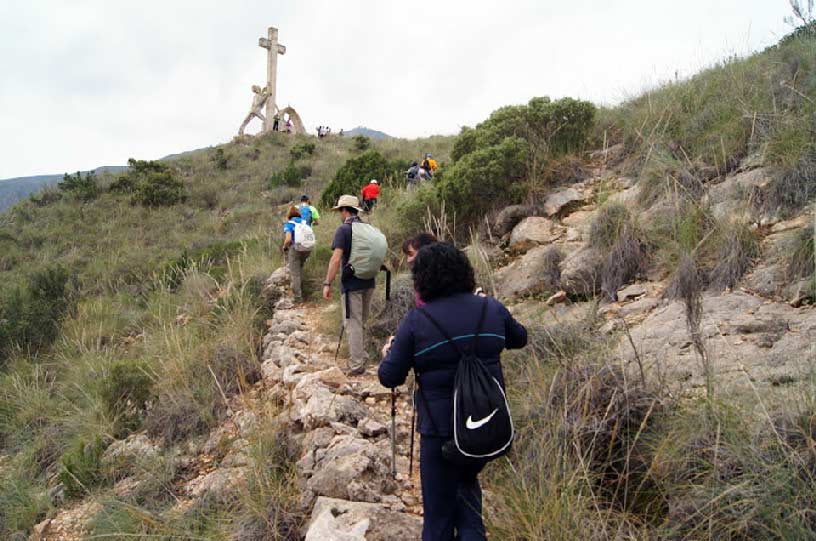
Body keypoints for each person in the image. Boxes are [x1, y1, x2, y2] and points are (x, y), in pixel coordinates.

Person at [378, 243, 527, 541]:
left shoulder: (417, 322)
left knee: (438, 519)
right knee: (467, 490)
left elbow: (389, 376)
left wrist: (389, 351)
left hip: (441, 431)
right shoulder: (490, 307)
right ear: (464, 272)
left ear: (422, 279)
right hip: (486, 424)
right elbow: (519, 338)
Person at [323, 195, 377, 376]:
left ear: (344, 210)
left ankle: (356, 365)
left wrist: (327, 282)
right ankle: (361, 357)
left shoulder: (343, 230)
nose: (339, 213)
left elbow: (336, 259)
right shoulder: (368, 228)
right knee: (361, 322)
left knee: (353, 323)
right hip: (369, 280)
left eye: (340, 210)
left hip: (351, 283)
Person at [282, 206, 311, 303]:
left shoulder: (289, 224)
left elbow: (288, 239)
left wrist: (285, 247)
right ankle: (304, 292)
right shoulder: (304, 222)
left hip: (295, 249)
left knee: (295, 274)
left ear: (289, 215)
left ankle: (298, 299)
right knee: (300, 270)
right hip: (307, 249)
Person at [402, 233, 438, 307]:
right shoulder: (421, 278)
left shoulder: (440, 279)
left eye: (411, 254)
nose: (408, 260)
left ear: (425, 251)